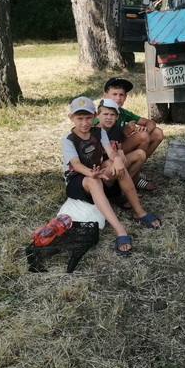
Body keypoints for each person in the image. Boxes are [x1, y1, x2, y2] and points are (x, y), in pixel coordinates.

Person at [62, 97, 161, 255]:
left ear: (94, 116)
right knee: (94, 181)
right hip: (79, 180)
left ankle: (139, 211)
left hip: (100, 175)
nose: (84, 123)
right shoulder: (69, 139)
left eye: (88, 118)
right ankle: (120, 230)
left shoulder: (99, 132)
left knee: (118, 167)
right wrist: (91, 173)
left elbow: (110, 151)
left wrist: (117, 160)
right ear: (71, 118)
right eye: (79, 118)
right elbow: (76, 164)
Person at [102, 77, 164, 190]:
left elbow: (150, 122)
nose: (118, 98)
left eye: (121, 95)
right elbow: (103, 141)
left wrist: (145, 129)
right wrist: (124, 133)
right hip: (108, 154)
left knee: (157, 133)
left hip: (119, 147)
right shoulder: (102, 114)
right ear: (105, 95)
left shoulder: (122, 113)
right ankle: (133, 179)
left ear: (125, 97)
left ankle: (135, 171)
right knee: (143, 136)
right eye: (114, 94)